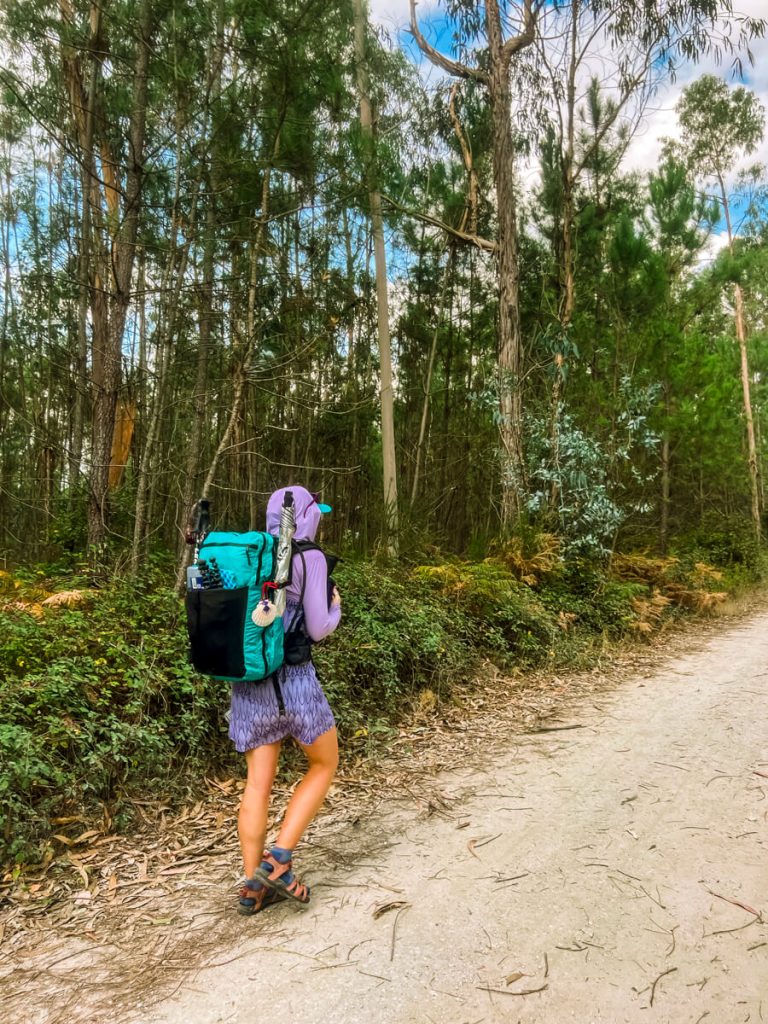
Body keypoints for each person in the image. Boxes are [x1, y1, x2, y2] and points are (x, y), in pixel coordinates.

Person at [229, 485, 341, 915]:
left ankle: (250, 885)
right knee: (324, 763)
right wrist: (336, 610)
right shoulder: (309, 557)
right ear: (308, 517)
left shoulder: (253, 556)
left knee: (258, 784)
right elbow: (316, 628)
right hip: (294, 680)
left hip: (249, 683)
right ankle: (279, 860)